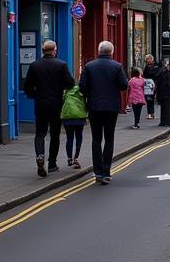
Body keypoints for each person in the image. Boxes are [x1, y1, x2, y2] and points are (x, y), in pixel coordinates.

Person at [79, 41, 128, 185]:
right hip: (111, 107)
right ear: (111, 52)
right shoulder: (117, 66)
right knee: (109, 138)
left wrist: (92, 94)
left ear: (98, 50)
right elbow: (124, 85)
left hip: (94, 106)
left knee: (96, 139)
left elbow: (82, 87)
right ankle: (106, 172)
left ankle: (98, 172)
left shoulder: (89, 66)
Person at [23, 39, 74, 177]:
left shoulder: (35, 65)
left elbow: (27, 86)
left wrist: (35, 95)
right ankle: (52, 164)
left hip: (41, 104)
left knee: (40, 133)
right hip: (56, 104)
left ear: (42, 51)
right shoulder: (61, 65)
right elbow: (70, 83)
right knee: (55, 134)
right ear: (55, 51)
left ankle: (40, 155)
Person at [60, 80, 88, 168]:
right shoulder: (81, 92)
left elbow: (62, 103)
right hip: (79, 117)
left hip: (67, 117)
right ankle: (76, 158)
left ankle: (69, 158)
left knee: (69, 138)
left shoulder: (65, 92)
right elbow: (86, 103)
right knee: (79, 137)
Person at [155, 58, 170, 126]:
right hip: (165, 91)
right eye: (166, 64)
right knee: (166, 107)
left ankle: (165, 121)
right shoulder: (167, 71)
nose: (166, 65)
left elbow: (158, 81)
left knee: (165, 107)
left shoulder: (163, 71)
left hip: (163, 91)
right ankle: (166, 121)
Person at [142, 54, 160, 120]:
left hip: (153, 85)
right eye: (147, 60)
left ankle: (150, 113)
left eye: (149, 59)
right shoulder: (147, 66)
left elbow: (154, 74)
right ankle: (150, 113)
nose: (148, 61)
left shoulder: (155, 66)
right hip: (148, 85)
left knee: (150, 99)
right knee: (149, 99)